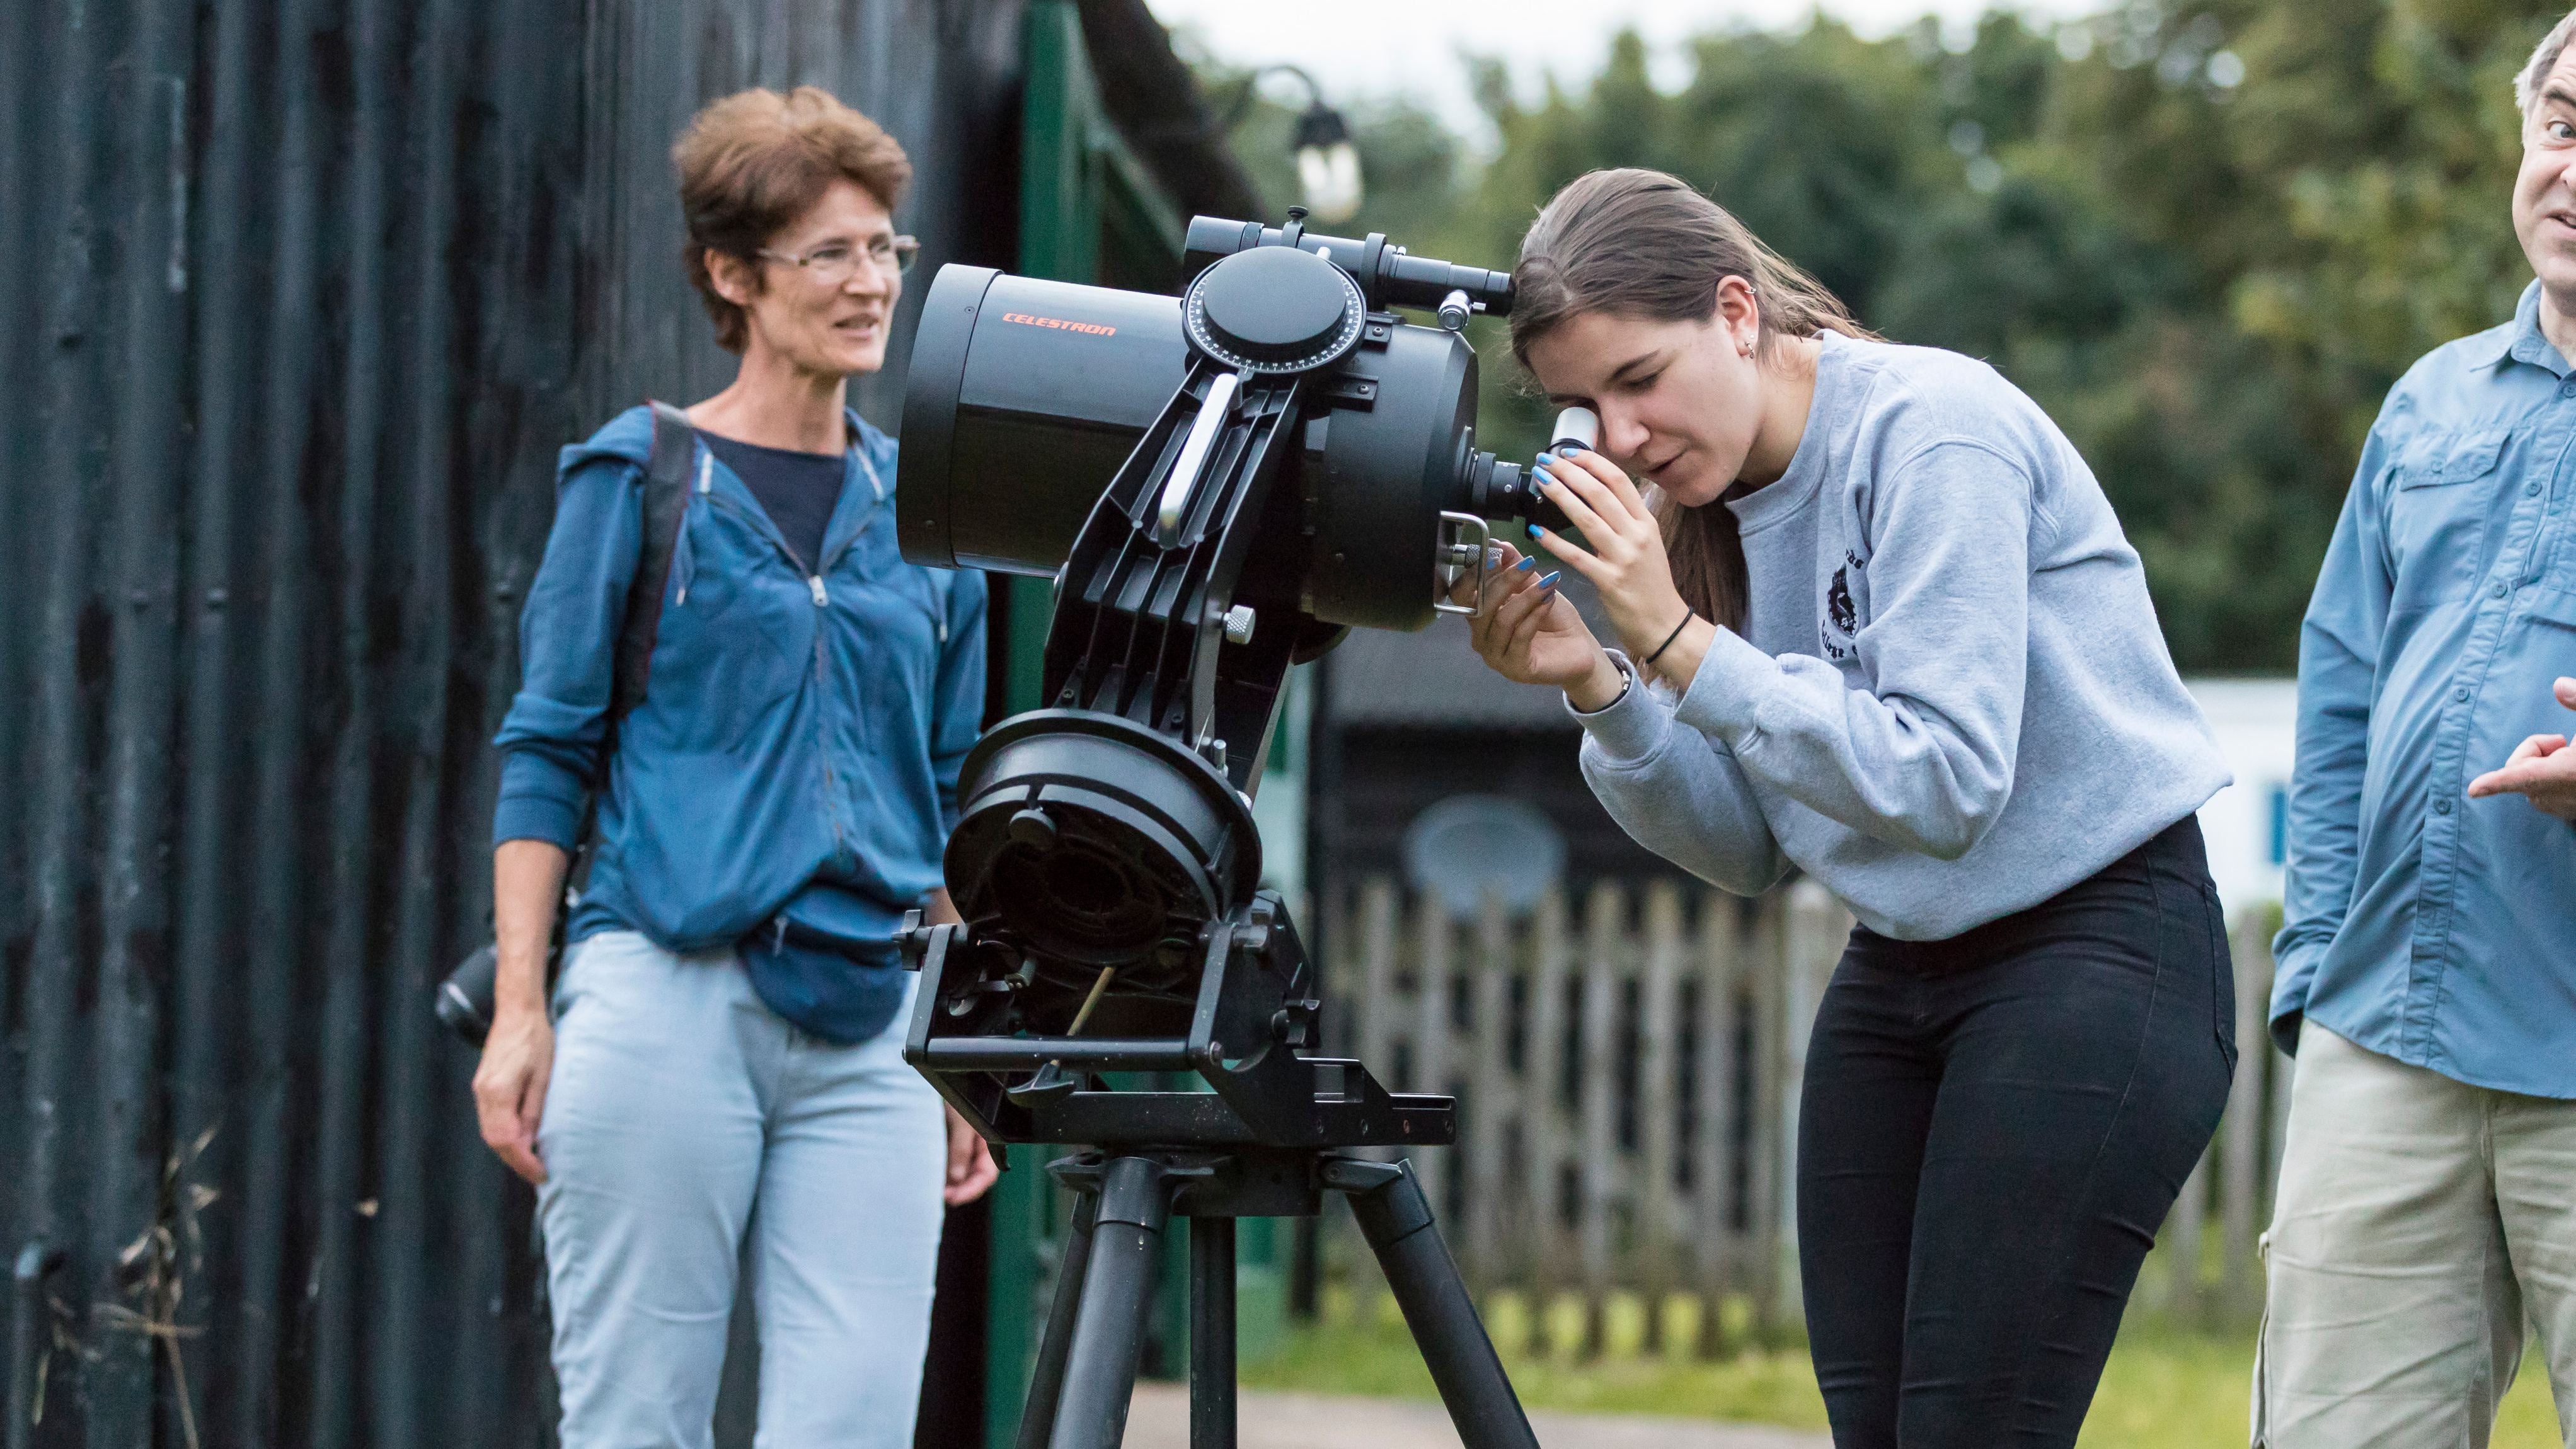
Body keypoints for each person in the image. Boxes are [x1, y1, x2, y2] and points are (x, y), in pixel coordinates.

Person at [1459, 168, 2236, 1448]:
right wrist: (1603, 679)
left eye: (1640, 379)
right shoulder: (1705, 512)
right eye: (1579, 406)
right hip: (1902, 966)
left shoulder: (1933, 429)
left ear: (1736, 313)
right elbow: (1755, 846)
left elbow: (1944, 781)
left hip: (2094, 948)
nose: (1618, 436)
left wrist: (1678, 643)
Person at [468, 86, 996, 1448]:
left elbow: (943, 804)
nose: (872, 281)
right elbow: (546, 748)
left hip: (873, 1029)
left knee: (853, 1427)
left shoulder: (929, 520)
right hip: (662, 999)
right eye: (831, 254)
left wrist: (963, 1053)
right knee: (637, 1426)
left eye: (885, 248)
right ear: (732, 274)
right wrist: (523, 1012)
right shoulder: (635, 477)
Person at [2256, 13, 2576, 1443]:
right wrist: (2318, 957)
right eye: (2560, 124)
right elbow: (2338, 700)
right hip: (2388, 1033)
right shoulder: (2429, 399)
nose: (2570, 167)